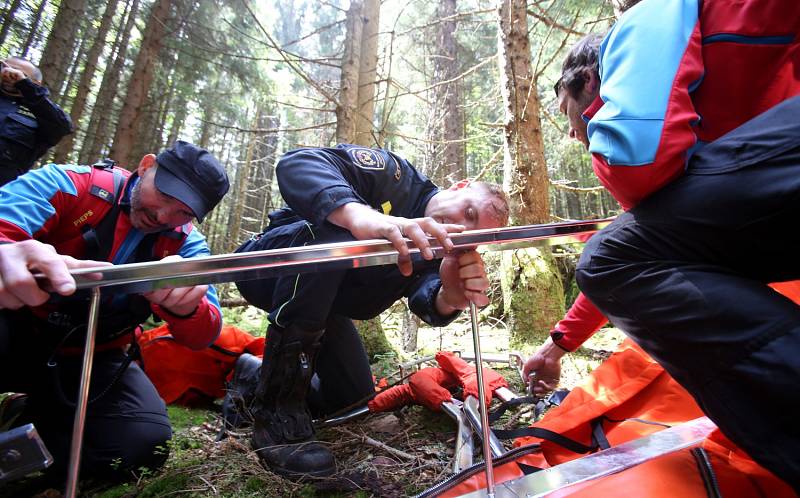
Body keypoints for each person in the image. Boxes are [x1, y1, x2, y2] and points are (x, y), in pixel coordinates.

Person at [535, 0, 800, 491]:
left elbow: (636, 164)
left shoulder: (648, 20)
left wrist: (600, 119)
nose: (571, 132)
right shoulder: (705, 103)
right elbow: (656, 239)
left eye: (566, 110)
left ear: (588, 81)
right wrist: (559, 344)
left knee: (610, 260)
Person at [233, 144, 509, 478]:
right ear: (459, 186)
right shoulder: (396, 177)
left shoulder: (437, 254)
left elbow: (428, 299)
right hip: (271, 267)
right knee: (337, 235)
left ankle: (252, 376)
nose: (461, 228)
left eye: (471, 234)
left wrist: (451, 295)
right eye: (468, 212)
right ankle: (276, 414)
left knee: (352, 399)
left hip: (325, 311)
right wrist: (363, 217)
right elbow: (299, 162)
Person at [0, 140, 229, 482]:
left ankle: (26, 438)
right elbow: (8, 217)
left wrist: (185, 309)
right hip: (17, 330)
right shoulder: (69, 185)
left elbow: (206, 332)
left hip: (94, 356)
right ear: (146, 165)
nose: (164, 217)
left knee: (141, 443)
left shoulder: (188, 246)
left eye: (183, 212)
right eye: (165, 196)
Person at [0, 56, 72, 186]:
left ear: (35, 82)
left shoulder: (41, 113)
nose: (7, 74)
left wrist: (24, 85)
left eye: (17, 72)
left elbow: (62, 126)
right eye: (4, 68)